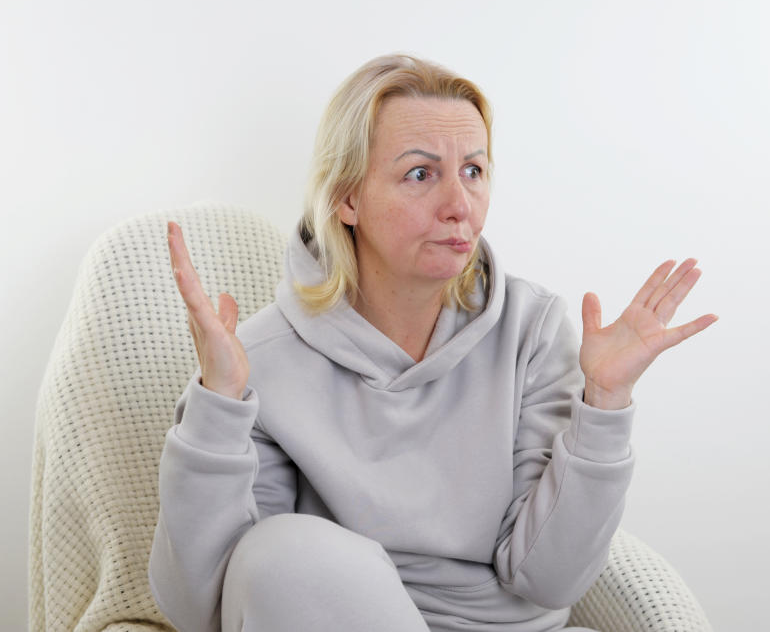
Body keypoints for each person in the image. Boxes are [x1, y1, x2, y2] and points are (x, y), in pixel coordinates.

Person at [148, 53, 718, 632]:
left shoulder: (533, 328)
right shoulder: (262, 359)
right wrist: (217, 404)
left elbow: (550, 580)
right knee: (281, 555)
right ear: (347, 199)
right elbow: (204, 604)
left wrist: (604, 404)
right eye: (421, 174)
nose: (459, 206)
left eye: (473, 171)